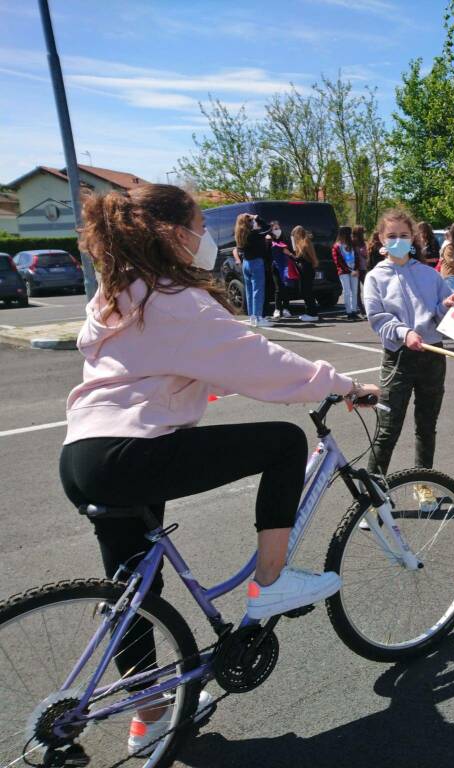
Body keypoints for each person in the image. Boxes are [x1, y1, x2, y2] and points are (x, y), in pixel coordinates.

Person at [58, 184, 381, 752]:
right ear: (174, 234)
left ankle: (149, 715)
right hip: (132, 451)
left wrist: (206, 387)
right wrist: (344, 384)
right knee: (284, 442)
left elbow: (156, 371)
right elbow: (260, 360)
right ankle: (273, 583)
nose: (207, 236)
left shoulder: (120, 295)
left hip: (85, 455)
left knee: (136, 590)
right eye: (200, 224)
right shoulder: (174, 300)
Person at [363, 208, 454, 477]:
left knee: (427, 425)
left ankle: (424, 483)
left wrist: (447, 305)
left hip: (432, 354)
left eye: (404, 235)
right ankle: (372, 497)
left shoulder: (430, 274)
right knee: (388, 428)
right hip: (398, 358)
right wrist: (404, 333)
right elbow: (378, 318)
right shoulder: (374, 277)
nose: (399, 240)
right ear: (381, 239)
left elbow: (439, 313)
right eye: (392, 235)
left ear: (413, 237)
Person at [232, 212, 272, 327]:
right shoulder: (254, 233)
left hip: (246, 263)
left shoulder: (240, 234)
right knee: (258, 290)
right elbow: (268, 228)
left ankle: (252, 317)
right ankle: (258, 317)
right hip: (256, 263)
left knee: (249, 291)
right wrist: (258, 218)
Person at [267, 220, 297, 319]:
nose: (277, 230)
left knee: (286, 287)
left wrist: (293, 256)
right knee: (278, 288)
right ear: (271, 230)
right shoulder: (269, 240)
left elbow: (289, 251)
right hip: (275, 266)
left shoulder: (284, 239)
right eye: (275, 228)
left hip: (285, 266)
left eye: (278, 228)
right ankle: (277, 309)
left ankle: (286, 308)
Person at [290, 225, 319, 323]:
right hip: (306, 270)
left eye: (294, 235)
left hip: (307, 270)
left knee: (307, 292)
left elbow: (299, 258)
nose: (294, 237)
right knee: (305, 292)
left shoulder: (304, 242)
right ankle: (309, 312)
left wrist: (288, 254)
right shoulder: (303, 242)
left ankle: (312, 314)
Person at [332, 226, 360, 320]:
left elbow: (357, 257)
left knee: (354, 291)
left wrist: (356, 269)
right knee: (347, 291)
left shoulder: (352, 245)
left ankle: (354, 311)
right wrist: (349, 270)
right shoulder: (337, 246)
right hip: (344, 272)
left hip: (354, 271)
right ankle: (349, 312)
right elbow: (338, 261)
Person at [352, 224, 369, 317]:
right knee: (357, 291)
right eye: (362, 232)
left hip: (363, 268)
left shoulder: (363, 242)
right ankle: (362, 311)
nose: (364, 234)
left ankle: (369, 308)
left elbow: (366, 255)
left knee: (368, 288)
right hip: (356, 269)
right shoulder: (353, 242)